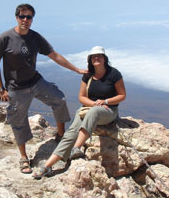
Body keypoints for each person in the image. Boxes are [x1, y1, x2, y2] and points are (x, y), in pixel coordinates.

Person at [0, 3, 87, 174]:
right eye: (22, 16)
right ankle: (24, 158)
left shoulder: (35, 37)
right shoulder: (6, 37)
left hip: (35, 81)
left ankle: (60, 134)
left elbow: (54, 55)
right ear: (16, 17)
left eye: (29, 17)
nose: (25, 20)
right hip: (16, 88)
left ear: (32, 19)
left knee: (59, 99)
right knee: (18, 122)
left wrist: (77, 69)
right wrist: (1, 88)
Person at [33, 46, 126, 179]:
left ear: (105, 58)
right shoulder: (88, 75)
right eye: (94, 56)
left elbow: (122, 95)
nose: (97, 58)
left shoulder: (114, 74)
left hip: (108, 110)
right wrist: (94, 104)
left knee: (94, 112)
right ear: (90, 60)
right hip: (88, 109)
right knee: (70, 134)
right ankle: (47, 167)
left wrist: (105, 102)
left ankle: (76, 148)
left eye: (99, 55)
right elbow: (81, 97)